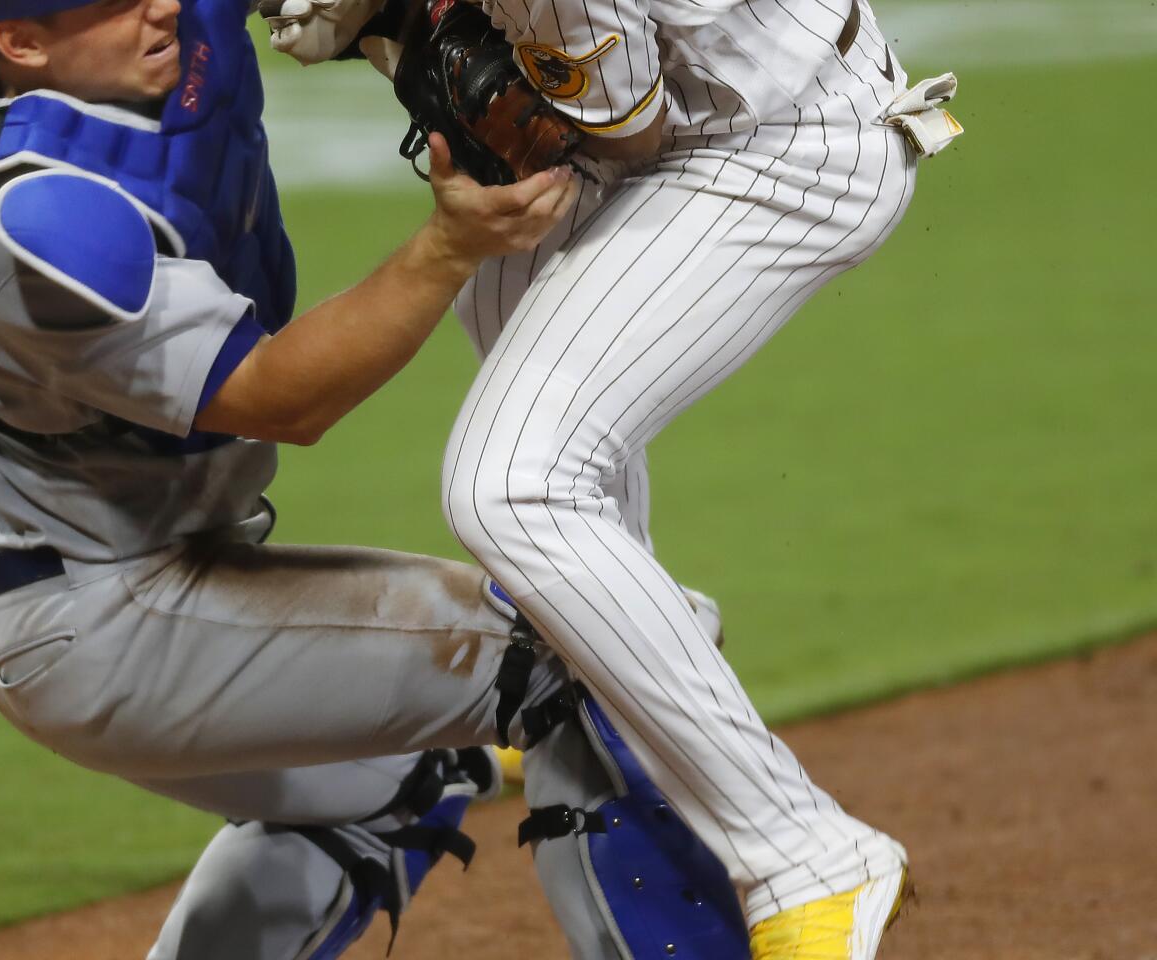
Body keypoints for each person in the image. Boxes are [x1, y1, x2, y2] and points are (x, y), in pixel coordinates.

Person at [0, 1, 763, 958]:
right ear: (19, 41)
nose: (156, 5)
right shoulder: (34, 233)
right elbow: (278, 400)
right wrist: (447, 248)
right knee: (586, 654)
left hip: (148, 573)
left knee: (394, 783)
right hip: (102, 624)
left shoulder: (164, 37)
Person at [265, 0, 964, 955]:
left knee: (515, 482)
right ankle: (621, 664)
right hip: (653, 125)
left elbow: (624, 127)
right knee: (542, 441)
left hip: (777, 142)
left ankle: (808, 857)